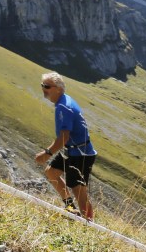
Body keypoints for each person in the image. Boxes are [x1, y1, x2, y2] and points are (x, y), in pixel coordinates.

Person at [33, 72, 97, 221]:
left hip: (81, 153)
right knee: (52, 173)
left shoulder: (63, 106)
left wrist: (47, 153)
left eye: (47, 86)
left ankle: (89, 224)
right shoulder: (63, 101)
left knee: (79, 192)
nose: (44, 89)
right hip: (72, 150)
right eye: (42, 85)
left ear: (59, 89)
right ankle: (70, 208)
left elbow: (64, 137)